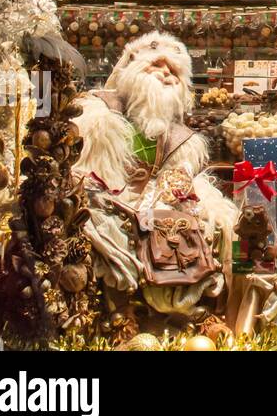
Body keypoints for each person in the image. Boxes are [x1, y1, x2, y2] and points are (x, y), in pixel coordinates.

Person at [73, 32, 236, 319]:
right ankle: (119, 313)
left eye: (173, 71)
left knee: (213, 224)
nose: (166, 74)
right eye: (157, 65)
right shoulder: (101, 114)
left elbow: (177, 177)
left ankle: (187, 306)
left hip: (158, 204)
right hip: (111, 200)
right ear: (134, 68)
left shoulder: (178, 136)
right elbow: (89, 172)